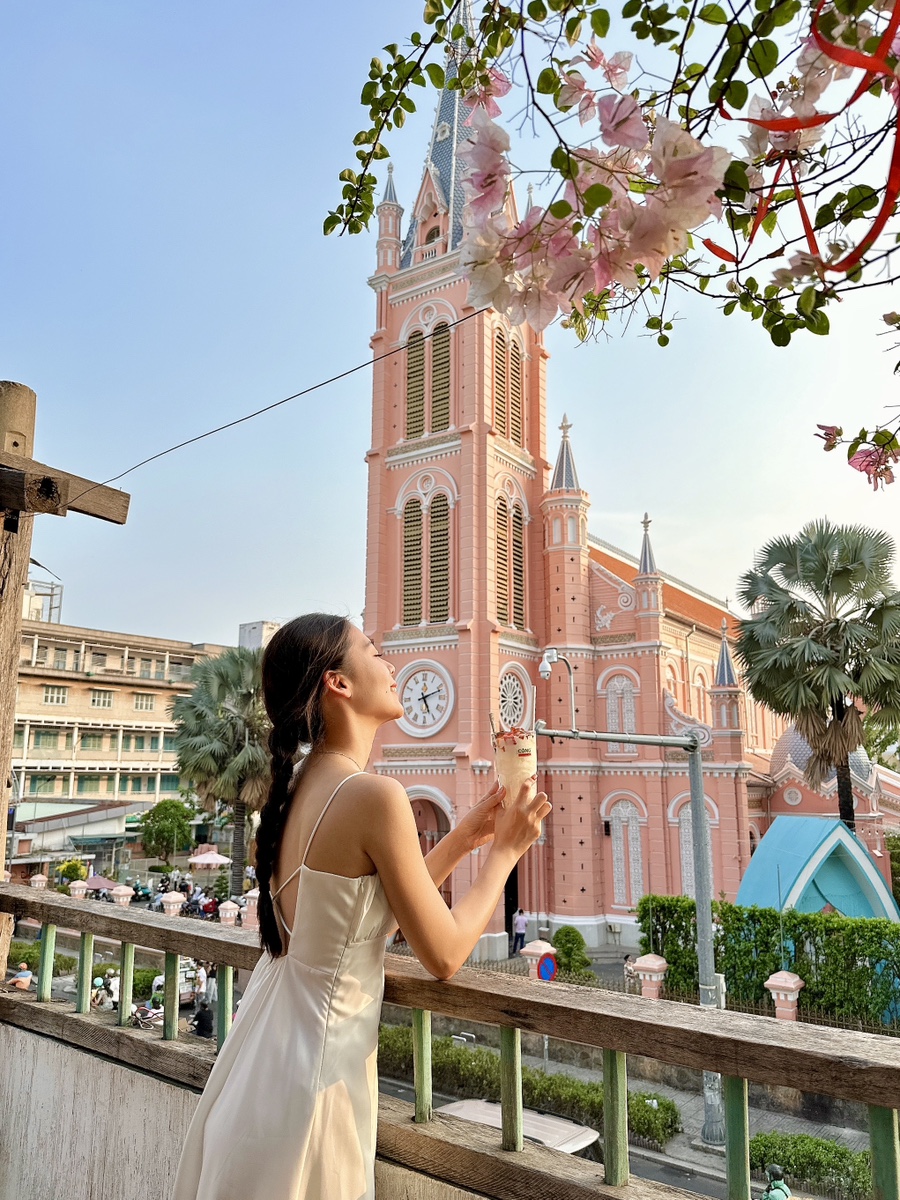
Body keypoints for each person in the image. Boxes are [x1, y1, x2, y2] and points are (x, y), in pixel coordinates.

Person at [173, 613, 550, 1199]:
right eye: (373, 652)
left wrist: (464, 837)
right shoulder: (375, 795)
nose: (390, 663)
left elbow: (359, 915)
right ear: (338, 683)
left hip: (260, 1069)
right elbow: (445, 954)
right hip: (315, 1090)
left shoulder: (298, 787)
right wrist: (504, 853)